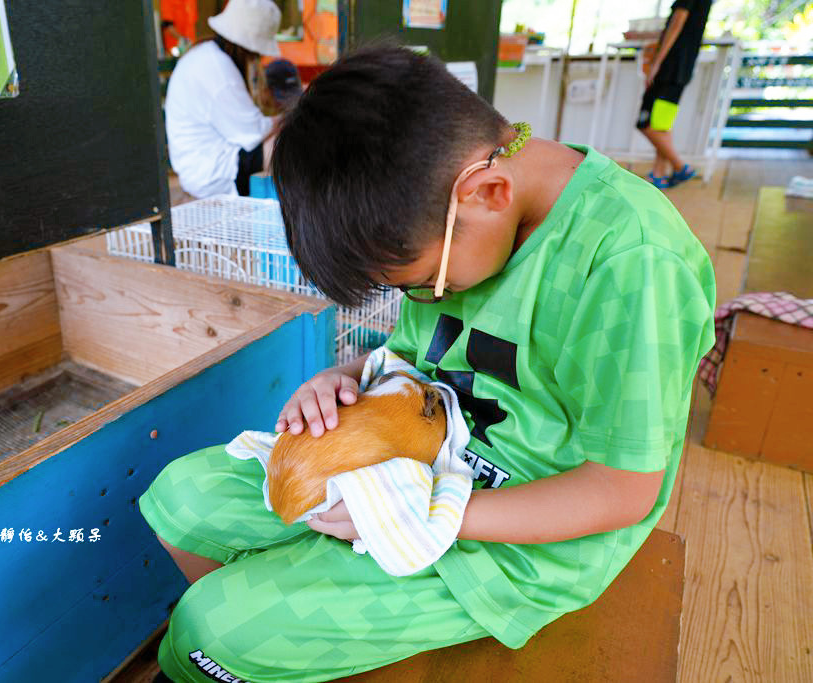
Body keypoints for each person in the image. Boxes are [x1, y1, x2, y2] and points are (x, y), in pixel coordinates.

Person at [141, 45, 716, 682]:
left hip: (517, 532)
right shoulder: (456, 210)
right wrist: (347, 376)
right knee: (182, 501)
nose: (421, 299)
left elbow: (621, 488)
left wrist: (423, 515)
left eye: (419, 285)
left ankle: (260, 635)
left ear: (488, 191)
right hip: (414, 458)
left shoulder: (631, 261)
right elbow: (416, 357)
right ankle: (285, 631)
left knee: (209, 629)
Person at [164, 0, 282, 199]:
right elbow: (252, 132)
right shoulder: (218, 67)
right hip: (209, 174)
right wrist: (284, 118)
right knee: (285, 143)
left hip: (196, 165)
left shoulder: (207, 54)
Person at [637, 0, 715, 189]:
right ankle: (659, 174)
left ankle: (680, 167)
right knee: (661, 125)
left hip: (670, 69)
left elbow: (678, 21)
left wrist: (657, 62)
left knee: (645, 123)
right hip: (681, 70)